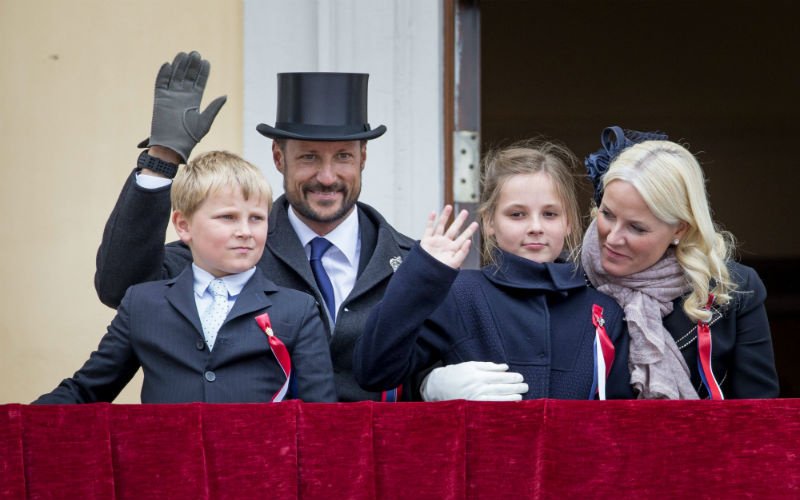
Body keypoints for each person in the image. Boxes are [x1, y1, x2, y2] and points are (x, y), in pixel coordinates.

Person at [94, 51, 414, 402]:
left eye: (343, 157)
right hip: (265, 451)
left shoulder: (411, 263)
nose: (327, 177)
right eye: (308, 156)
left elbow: (428, 367)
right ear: (279, 157)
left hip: (380, 452)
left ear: (363, 158)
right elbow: (121, 287)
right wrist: (161, 160)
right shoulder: (235, 247)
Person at [35, 151, 336, 404]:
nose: (245, 231)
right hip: (164, 469)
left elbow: (321, 416)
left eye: (256, 218)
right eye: (228, 217)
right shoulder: (143, 303)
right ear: (183, 225)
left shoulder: (298, 309)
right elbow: (87, 390)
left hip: (261, 471)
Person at [353, 141, 633, 400]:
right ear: (489, 222)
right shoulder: (459, 294)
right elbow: (375, 370)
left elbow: (620, 416)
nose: (535, 227)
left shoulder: (601, 310)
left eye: (550, 214)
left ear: (569, 222)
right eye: (517, 214)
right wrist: (422, 275)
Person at [580, 126, 779, 399]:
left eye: (637, 228)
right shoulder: (567, 281)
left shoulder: (735, 290)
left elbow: (759, 414)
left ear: (680, 230)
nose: (613, 238)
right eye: (608, 214)